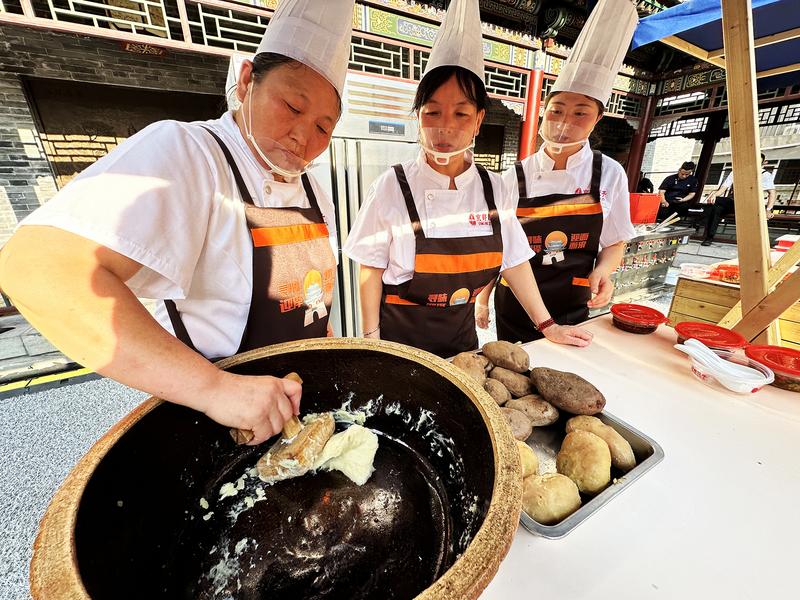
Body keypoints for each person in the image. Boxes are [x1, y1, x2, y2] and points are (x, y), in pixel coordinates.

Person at [0, 0, 357, 445]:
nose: (304, 137)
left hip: (298, 415)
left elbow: (312, 307)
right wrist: (214, 389)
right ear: (247, 82)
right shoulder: (189, 153)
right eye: (292, 106)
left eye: (324, 127)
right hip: (213, 433)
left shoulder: (312, 190)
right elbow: (36, 268)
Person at [343, 0, 592, 358]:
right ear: (418, 119)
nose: (446, 127)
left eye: (461, 113)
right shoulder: (392, 184)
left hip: (462, 347)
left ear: (478, 122)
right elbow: (370, 268)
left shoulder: (495, 187)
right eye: (432, 112)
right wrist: (371, 339)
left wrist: (548, 325)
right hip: (398, 340)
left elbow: (516, 261)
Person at [477, 0, 637, 344]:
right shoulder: (514, 176)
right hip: (516, 305)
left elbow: (615, 241)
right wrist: (482, 296)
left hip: (573, 303)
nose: (564, 123)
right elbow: (498, 245)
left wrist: (603, 272)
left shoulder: (608, 174)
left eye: (580, 113)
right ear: (542, 115)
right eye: (556, 110)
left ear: (596, 121)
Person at [701, 153, 776, 246]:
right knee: (715, 206)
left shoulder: (765, 175)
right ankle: (709, 237)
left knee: (714, 207)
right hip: (735, 202)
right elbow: (723, 188)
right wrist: (714, 195)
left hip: (751, 204)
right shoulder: (736, 171)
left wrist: (768, 210)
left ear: (763, 163)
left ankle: (701, 223)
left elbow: (772, 193)